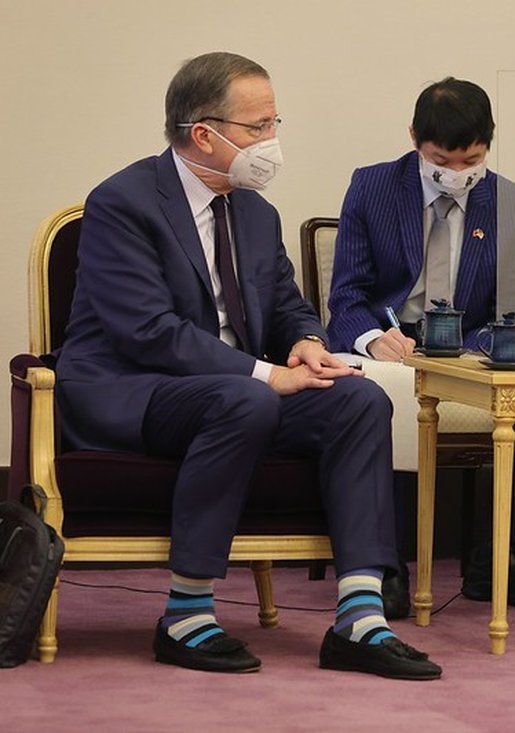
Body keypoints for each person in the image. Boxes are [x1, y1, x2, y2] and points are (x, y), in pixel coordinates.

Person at [55, 52, 441, 680]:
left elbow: (286, 303)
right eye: (258, 127)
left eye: (273, 123)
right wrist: (266, 375)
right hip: (134, 389)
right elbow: (146, 331)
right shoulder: (123, 201)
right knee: (247, 397)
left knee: (360, 398)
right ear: (204, 134)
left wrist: (307, 342)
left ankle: (360, 617)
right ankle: (186, 615)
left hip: (233, 395)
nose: (271, 141)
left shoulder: (256, 211)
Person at [326, 77, 515, 616]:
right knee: (376, 399)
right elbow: (346, 297)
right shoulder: (372, 187)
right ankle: (383, 563)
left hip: (466, 349)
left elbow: (510, 311)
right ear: (414, 139)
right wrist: (373, 338)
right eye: (442, 161)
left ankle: (502, 556)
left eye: (472, 161)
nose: (457, 173)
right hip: (388, 344)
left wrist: (480, 350)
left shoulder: (511, 203)